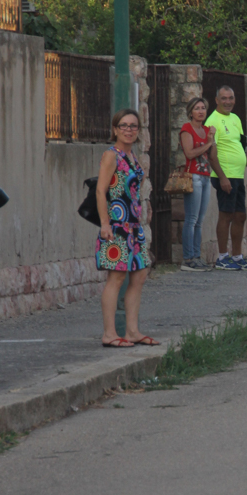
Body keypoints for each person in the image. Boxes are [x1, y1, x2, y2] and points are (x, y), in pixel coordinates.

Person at [95, 109, 159, 348]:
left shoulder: (133, 156)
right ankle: (109, 333)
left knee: (140, 275)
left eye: (133, 126)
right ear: (115, 129)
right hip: (116, 224)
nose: (129, 130)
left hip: (133, 226)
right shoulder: (111, 155)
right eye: (124, 125)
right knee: (117, 277)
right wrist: (105, 224)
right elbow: (100, 191)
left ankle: (132, 331)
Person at [205, 85, 247, 271]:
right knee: (226, 215)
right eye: (224, 98)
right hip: (225, 176)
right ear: (216, 100)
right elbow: (211, 154)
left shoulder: (236, 119)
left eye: (230, 98)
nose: (227, 102)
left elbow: (243, 147)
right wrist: (222, 178)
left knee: (240, 215)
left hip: (238, 176)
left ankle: (237, 257)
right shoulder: (212, 121)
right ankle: (222, 258)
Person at [179, 96, 223, 272]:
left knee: (200, 220)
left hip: (206, 176)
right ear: (191, 112)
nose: (201, 111)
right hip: (193, 176)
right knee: (191, 218)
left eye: (203, 108)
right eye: (197, 108)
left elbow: (212, 157)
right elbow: (190, 153)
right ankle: (188, 258)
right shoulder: (187, 129)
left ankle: (197, 256)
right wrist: (208, 143)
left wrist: (212, 140)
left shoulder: (206, 130)